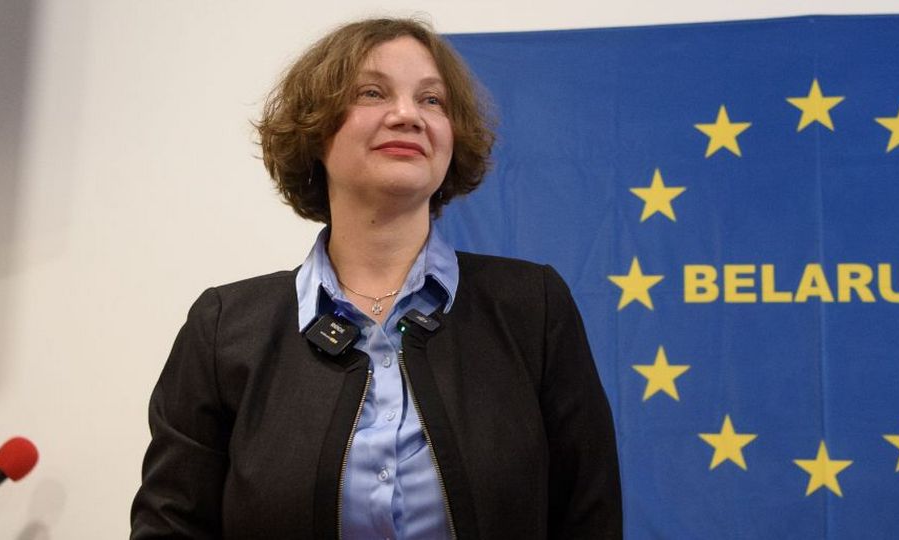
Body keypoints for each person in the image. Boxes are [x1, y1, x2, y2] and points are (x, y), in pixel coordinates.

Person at [130, 18, 621, 539]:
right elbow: (171, 527)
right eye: (372, 92)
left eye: (432, 100)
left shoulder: (532, 308)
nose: (408, 115)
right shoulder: (224, 330)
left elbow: (589, 520)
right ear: (315, 130)